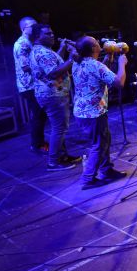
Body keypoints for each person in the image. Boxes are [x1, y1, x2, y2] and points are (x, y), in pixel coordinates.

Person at [72, 36, 128, 190]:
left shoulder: (79, 63)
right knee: (98, 145)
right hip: (93, 113)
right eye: (97, 43)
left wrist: (109, 57)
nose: (100, 44)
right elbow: (119, 83)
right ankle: (88, 179)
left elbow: (99, 72)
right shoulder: (95, 65)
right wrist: (122, 64)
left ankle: (107, 170)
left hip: (82, 111)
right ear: (93, 49)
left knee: (103, 141)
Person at [29, 24, 81, 171]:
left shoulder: (43, 50)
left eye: (52, 33)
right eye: (48, 34)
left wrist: (63, 48)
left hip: (51, 94)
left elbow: (55, 63)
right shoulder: (43, 53)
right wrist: (72, 59)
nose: (52, 36)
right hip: (53, 95)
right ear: (38, 36)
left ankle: (62, 155)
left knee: (59, 127)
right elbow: (53, 72)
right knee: (59, 128)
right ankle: (53, 162)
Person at [13, 16, 47, 155]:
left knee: (40, 114)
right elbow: (25, 66)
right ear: (23, 28)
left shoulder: (29, 42)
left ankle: (39, 143)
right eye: (32, 26)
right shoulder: (22, 44)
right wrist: (44, 74)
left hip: (32, 84)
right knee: (38, 114)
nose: (35, 27)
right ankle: (37, 145)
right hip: (29, 86)